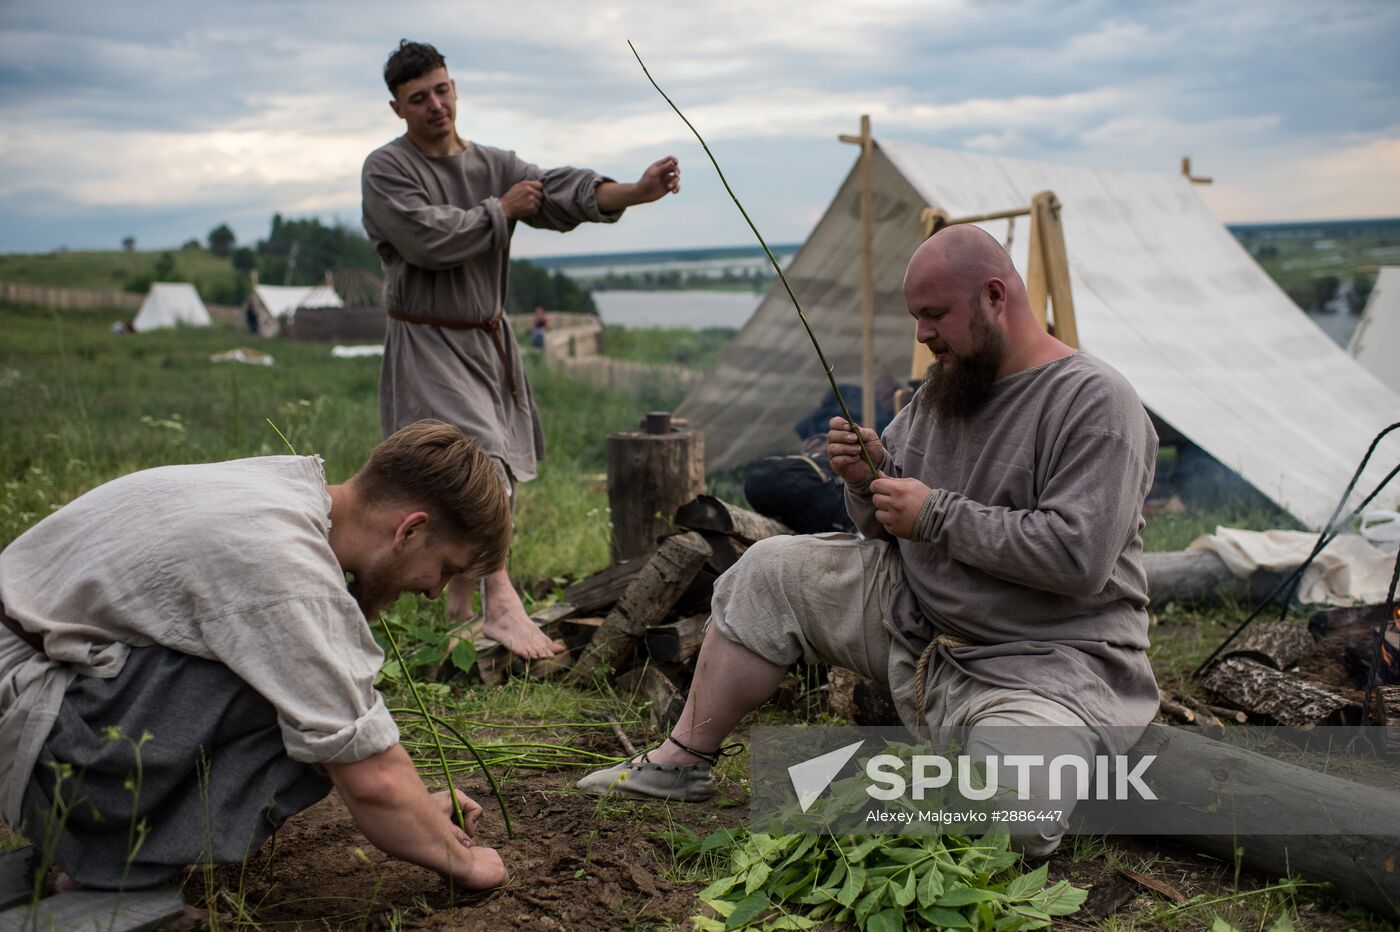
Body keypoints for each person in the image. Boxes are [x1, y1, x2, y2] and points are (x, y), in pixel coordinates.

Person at [578, 226, 1161, 855]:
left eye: (934, 315)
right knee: (770, 570)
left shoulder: (1095, 402)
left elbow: (1079, 557)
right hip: (922, 621)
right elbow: (884, 526)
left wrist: (934, 513)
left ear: (995, 296)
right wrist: (867, 480)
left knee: (1009, 807)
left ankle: (929, 772)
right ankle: (681, 759)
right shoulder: (948, 384)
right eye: (916, 316)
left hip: (1046, 663)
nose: (922, 334)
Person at [0, 421, 512, 892]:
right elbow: (371, 774)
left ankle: (105, 853)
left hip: (53, 689)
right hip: (37, 723)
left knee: (306, 683)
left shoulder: (281, 491)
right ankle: (109, 861)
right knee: (304, 691)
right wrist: (464, 863)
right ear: (410, 530)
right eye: (445, 568)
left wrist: (418, 810)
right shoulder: (284, 568)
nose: (432, 592)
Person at [362, 40, 680, 661]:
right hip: (426, 338)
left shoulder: (492, 161)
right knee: (472, 462)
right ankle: (501, 601)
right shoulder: (387, 169)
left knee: (479, 466)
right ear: (397, 107)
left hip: (486, 338)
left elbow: (558, 192)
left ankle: (457, 612)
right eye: (418, 97)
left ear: (454, 88)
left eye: (442, 89)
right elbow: (426, 238)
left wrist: (634, 193)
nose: (436, 105)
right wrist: (498, 211)